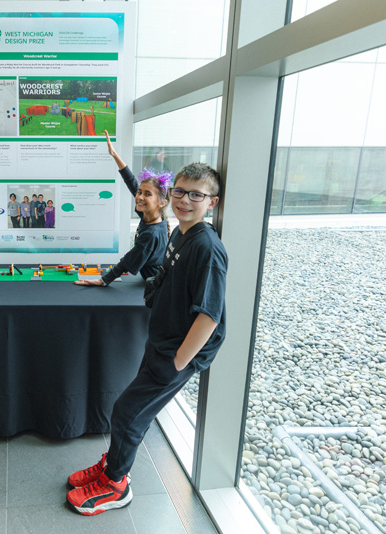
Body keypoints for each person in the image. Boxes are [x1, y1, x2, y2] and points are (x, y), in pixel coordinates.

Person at [65, 162, 227, 516]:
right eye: (180, 191)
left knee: (127, 411)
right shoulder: (180, 232)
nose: (184, 200)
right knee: (131, 409)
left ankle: (116, 483)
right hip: (161, 339)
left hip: (176, 352)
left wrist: (178, 361)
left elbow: (210, 315)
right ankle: (112, 466)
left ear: (211, 202)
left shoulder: (207, 248)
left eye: (195, 195)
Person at [75, 132, 170, 287]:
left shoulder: (151, 234)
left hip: (154, 284)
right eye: (140, 192)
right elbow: (131, 182)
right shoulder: (152, 214)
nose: (140, 197)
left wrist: (103, 280)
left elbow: (127, 261)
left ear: (162, 202)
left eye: (147, 194)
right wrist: (114, 155)